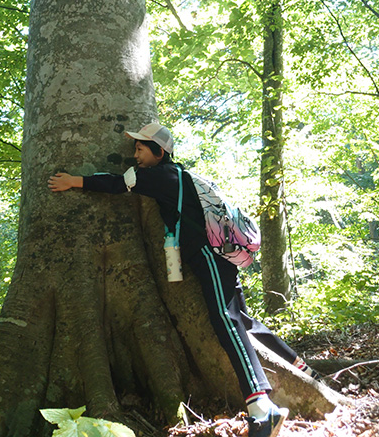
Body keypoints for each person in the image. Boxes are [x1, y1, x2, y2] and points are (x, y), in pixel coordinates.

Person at [49, 122, 315, 437]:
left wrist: (74, 181)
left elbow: (116, 184)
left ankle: (261, 407)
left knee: (225, 320)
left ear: (159, 151)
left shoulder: (160, 176)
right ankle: (304, 369)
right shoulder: (179, 176)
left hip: (208, 255)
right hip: (220, 255)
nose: (135, 155)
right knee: (241, 319)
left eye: (140, 148)